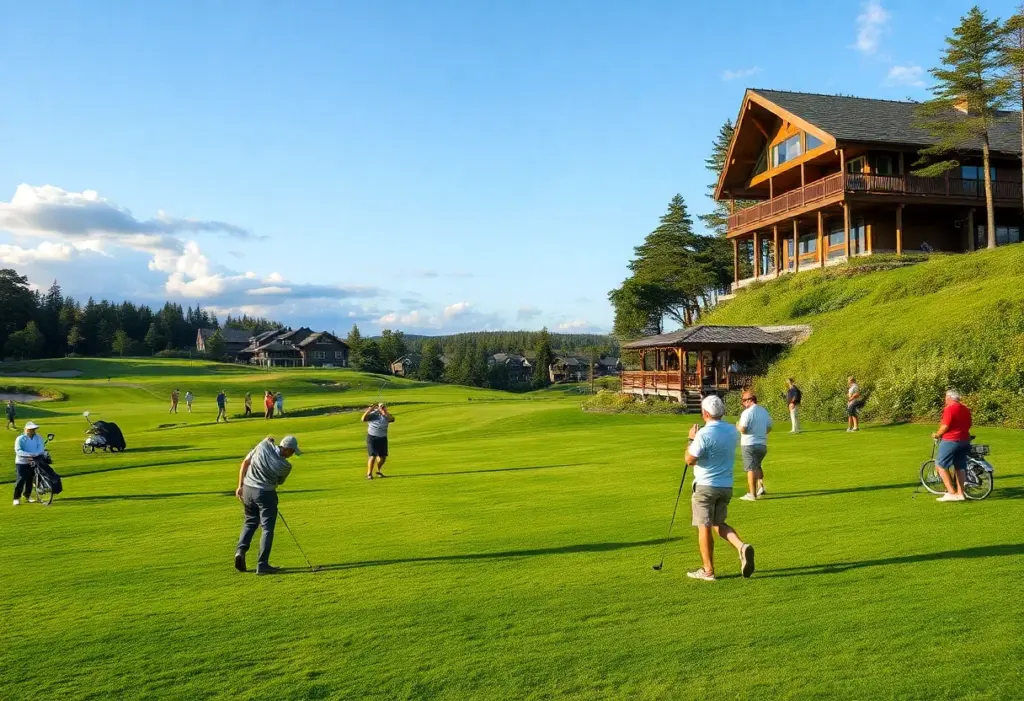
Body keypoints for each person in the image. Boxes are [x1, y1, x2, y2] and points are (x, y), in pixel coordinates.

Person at [684, 395, 755, 581]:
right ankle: (741, 546)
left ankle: (708, 571)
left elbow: (690, 460)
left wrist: (691, 439)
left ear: (705, 413)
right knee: (718, 523)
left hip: (705, 486)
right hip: (725, 485)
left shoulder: (703, 434)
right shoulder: (732, 431)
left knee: (704, 527)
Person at [234, 435, 302, 575]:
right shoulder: (285, 466)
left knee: (249, 523)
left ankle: (240, 551)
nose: (293, 454)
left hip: (247, 490)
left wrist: (240, 485)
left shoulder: (263, 445)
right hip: (265, 494)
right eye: (293, 451)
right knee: (267, 529)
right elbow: (280, 482)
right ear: (288, 450)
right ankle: (262, 564)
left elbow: (246, 462)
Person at [932, 389, 972, 502]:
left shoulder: (949, 409)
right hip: (964, 440)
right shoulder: (965, 409)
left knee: (940, 465)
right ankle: (961, 494)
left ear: (949, 398)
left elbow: (945, 426)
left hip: (951, 440)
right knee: (960, 467)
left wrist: (937, 434)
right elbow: (969, 424)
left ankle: (951, 493)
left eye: (945, 397)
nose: (945, 400)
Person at [737, 391, 772, 501]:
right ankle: (761, 487)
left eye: (743, 401)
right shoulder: (764, 411)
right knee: (757, 465)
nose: (743, 403)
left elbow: (743, 429)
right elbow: (769, 428)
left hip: (749, 444)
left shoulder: (747, 413)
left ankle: (752, 494)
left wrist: (737, 426)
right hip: (762, 445)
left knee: (750, 468)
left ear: (749, 400)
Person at [13, 421, 45, 506]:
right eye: (31, 429)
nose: (33, 431)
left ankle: (27, 496)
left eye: (34, 429)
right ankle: (16, 498)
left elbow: (41, 448)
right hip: (21, 462)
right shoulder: (20, 438)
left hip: (34, 461)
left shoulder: (38, 438)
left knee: (30, 480)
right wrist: (29, 455)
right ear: (26, 430)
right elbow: (18, 450)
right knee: (21, 479)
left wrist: (35, 455)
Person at [362, 403, 395, 480]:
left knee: (383, 457)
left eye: (383, 406)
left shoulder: (386, 414)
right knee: (372, 455)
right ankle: (369, 474)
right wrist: (369, 410)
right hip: (372, 437)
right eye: (380, 406)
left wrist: (384, 412)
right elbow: (363, 419)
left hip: (382, 438)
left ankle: (378, 471)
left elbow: (392, 419)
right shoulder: (373, 414)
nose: (382, 407)